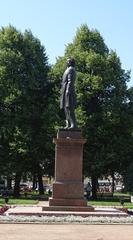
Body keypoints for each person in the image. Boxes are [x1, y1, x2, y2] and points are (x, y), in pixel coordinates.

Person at [60, 58, 77, 129]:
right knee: (65, 108)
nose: (67, 62)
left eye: (68, 61)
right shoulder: (67, 69)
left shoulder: (71, 69)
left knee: (69, 107)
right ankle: (68, 124)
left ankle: (73, 124)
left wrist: (68, 90)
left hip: (68, 90)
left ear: (71, 62)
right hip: (65, 90)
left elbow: (70, 81)